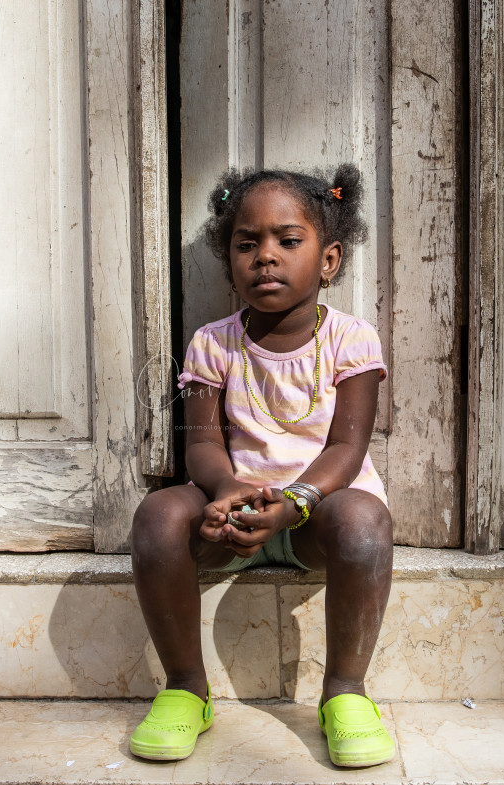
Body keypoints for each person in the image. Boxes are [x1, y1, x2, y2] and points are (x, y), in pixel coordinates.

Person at [129, 164, 395, 768]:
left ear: (328, 260)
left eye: (287, 241)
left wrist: (295, 501)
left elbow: (346, 452)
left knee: (365, 522)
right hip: (232, 515)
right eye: (247, 244)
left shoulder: (351, 340)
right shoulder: (212, 343)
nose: (265, 257)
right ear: (229, 260)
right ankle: (184, 689)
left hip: (316, 515)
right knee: (157, 516)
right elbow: (201, 444)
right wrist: (226, 489)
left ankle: (346, 694)